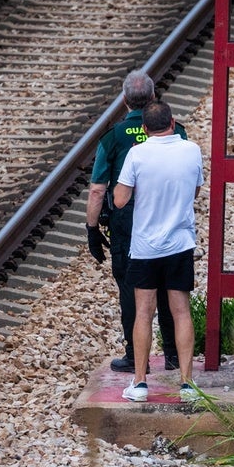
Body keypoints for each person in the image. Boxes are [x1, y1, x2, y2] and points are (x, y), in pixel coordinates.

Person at [86, 70, 183, 374]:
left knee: (131, 288)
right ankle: (172, 355)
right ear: (154, 97)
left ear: (125, 99)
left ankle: (133, 356)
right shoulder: (176, 131)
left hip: (127, 222)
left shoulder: (113, 137)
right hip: (168, 216)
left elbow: (98, 188)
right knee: (171, 286)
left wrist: (91, 228)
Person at [113, 99, 204, 403]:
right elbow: (194, 190)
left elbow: (121, 200)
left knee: (143, 312)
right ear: (173, 121)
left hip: (146, 246)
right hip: (180, 244)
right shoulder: (191, 150)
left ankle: (139, 383)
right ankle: (187, 383)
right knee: (181, 312)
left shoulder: (137, 154)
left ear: (143, 128)